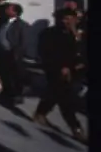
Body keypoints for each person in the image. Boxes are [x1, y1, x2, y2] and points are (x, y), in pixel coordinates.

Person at [33, 8, 87, 144]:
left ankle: (40, 113)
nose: (67, 21)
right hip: (55, 70)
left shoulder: (76, 34)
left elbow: (79, 51)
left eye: (70, 18)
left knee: (54, 93)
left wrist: (79, 62)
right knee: (65, 98)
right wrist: (60, 67)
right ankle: (76, 128)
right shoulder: (50, 33)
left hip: (73, 70)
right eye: (64, 18)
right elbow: (47, 53)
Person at [0, 3, 29, 105]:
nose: (6, 11)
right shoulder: (5, 22)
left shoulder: (22, 25)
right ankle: (6, 93)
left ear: (15, 12)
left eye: (9, 9)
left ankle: (17, 94)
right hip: (3, 52)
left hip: (13, 53)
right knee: (5, 74)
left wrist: (18, 53)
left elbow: (24, 41)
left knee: (15, 75)